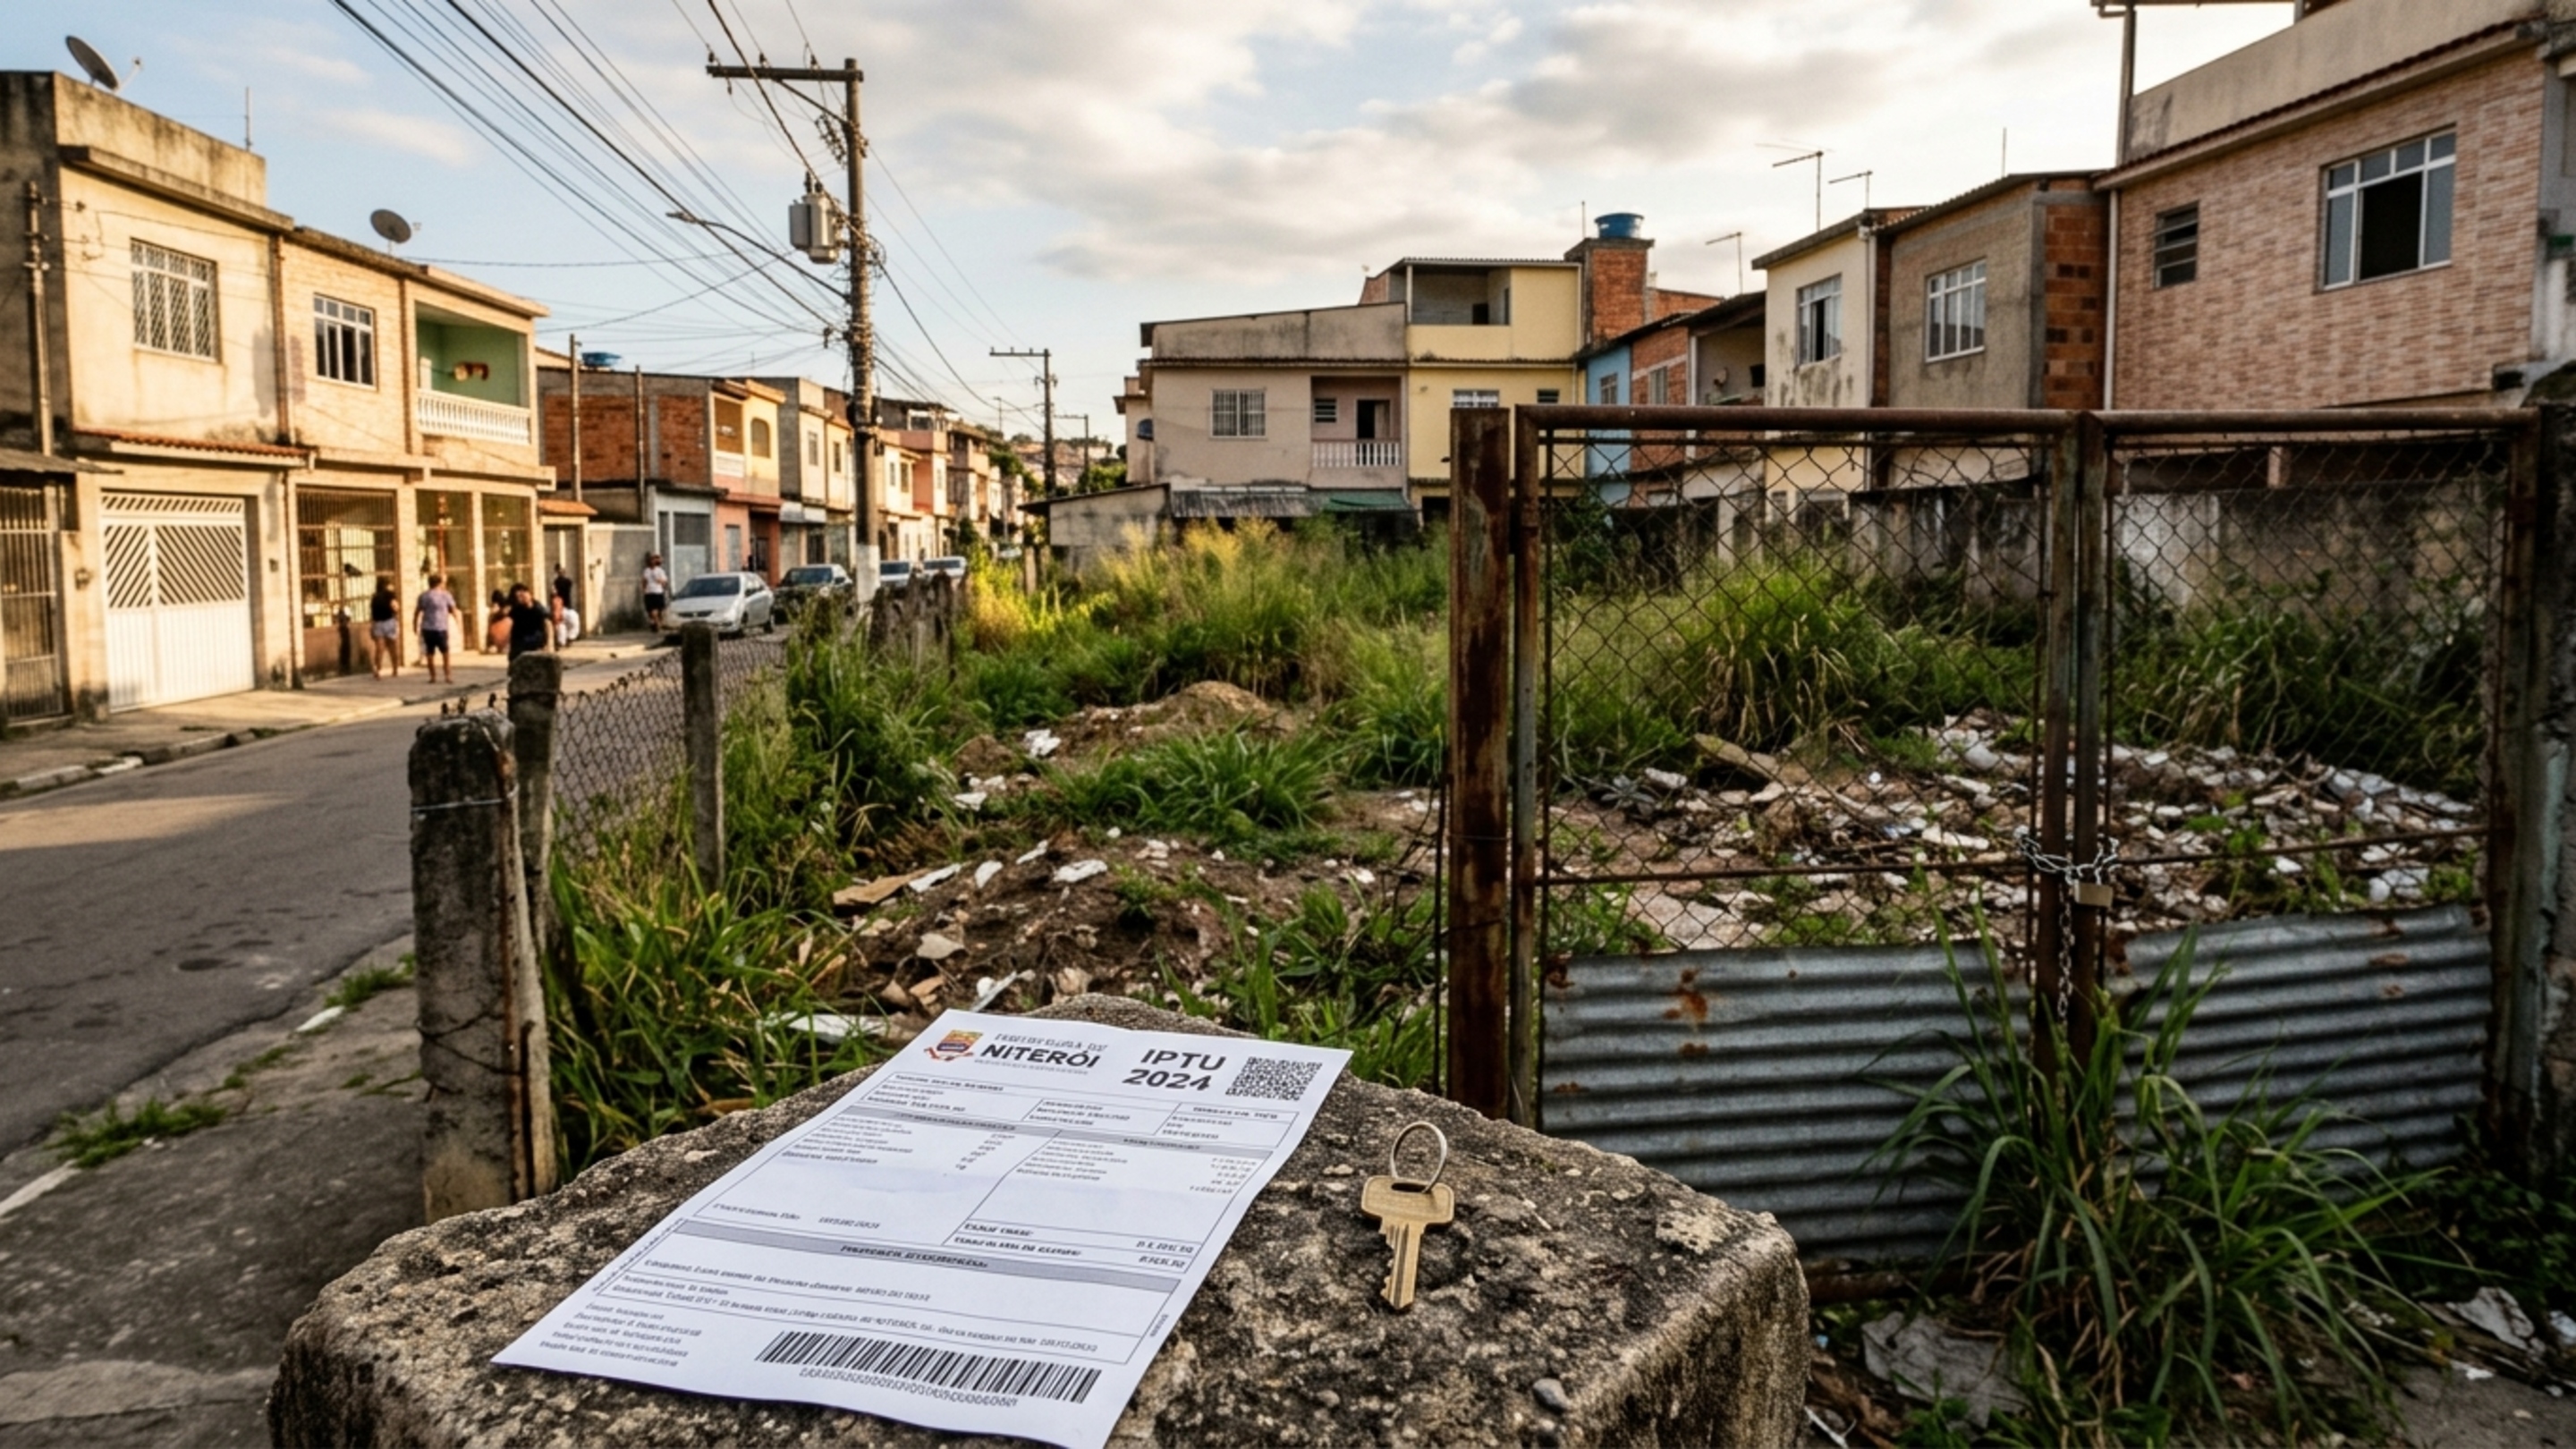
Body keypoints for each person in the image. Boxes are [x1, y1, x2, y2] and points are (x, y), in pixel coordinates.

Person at [413, 572, 459, 684]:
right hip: (441, 627)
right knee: (445, 653)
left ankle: (433, 676)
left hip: (427, 628)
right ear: (440, 583)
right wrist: (457, 622)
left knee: (430, 653)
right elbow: (453, 609)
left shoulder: (424, 596)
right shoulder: (445, 595)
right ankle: (447, 676)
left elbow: (417, 612)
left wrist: (414, 625)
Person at [505, 582, 554, 659]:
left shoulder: (538, 609)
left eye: (524, 594)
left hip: (535, 640)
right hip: (521, 642)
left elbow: (548, 624)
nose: (522, 597)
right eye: (519, 596)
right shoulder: (517, 610)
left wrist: (549, 645)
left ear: (530, 595)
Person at [367, 575, 401, 679]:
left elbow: (372, 613)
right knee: (393, 648)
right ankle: (395, 669)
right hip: (389, 622)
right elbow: (395, 607)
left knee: (379, 649)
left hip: (377, 623)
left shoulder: (374, 597)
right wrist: (396, 613)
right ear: (387, 585)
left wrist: (372, 627)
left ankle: (378, 670)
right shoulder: (390, 595)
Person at [550, 564, 581, 648]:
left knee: (561, 625)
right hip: (564, 607)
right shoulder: (565, 582)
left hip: (562, 608)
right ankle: (568, 639)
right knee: (572, 624)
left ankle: (562, 641)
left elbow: (553, 593)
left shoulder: (556, 582)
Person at [640, 553, 670, 631]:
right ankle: (656, 624)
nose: (652, 562)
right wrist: (644, 590)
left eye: (654, 560)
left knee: (659, 611)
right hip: (649, 593)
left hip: (657, 592)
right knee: (651, 611)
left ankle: (658, 623)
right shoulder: (646, 571)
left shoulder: (660, 571)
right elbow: (644, 581)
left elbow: (665, 581)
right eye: (651, 560)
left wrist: (660, 581)